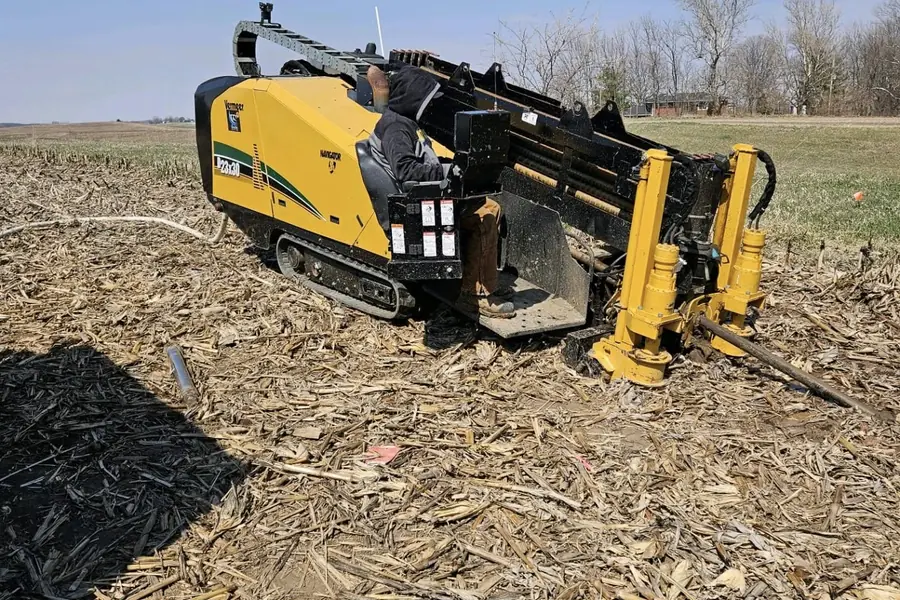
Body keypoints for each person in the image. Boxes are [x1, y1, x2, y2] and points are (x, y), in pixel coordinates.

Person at [366, 64, 516, 319]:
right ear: (412, 98)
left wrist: (451, 165)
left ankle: (479, 278)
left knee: (488, 206)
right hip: (416, 203)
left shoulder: (403, 121)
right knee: (486, 213)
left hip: (425, 193)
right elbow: (406, 171)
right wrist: (450, 173)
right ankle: (475, 295)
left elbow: (424, 162)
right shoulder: (396, 129)